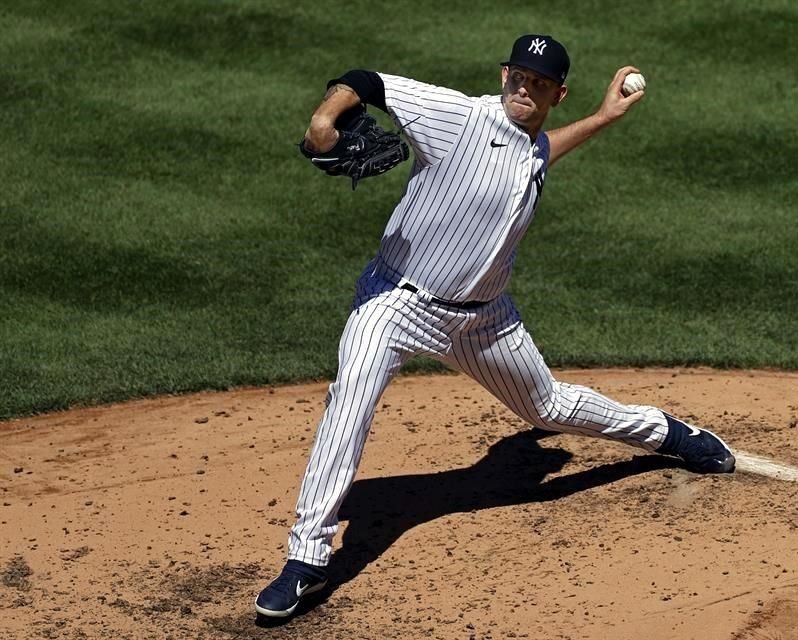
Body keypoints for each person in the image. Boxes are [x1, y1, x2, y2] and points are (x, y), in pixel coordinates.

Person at [254, 34, 735, 618]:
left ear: (556, 94)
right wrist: (324, 120)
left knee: (549, 408)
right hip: (396, 304)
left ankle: (666, 435)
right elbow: (368, 80)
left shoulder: (532, 144)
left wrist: (604, 118)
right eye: (518, 77)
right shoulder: (459, 116)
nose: (523, 91)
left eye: (538, 85)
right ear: (504, 72)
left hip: (486, 321)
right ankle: (306, 560)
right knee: (351, 399)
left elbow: (538, 150)